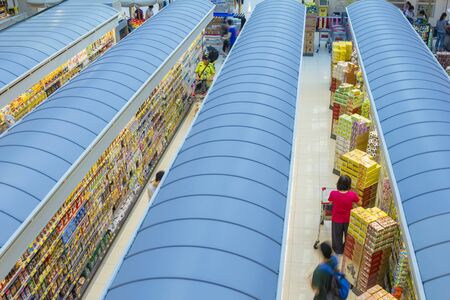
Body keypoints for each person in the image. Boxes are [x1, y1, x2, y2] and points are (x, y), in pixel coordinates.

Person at [328, 175, 362, 255]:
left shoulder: (333, 194)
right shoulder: (352, 195)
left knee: (337, 236)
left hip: (336, 219)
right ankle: (347, 249)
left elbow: (330, 203)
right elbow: (360, 203)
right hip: (348, 220)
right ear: (349, 185)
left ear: (338, 184)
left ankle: (338, 250)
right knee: (348, 236)